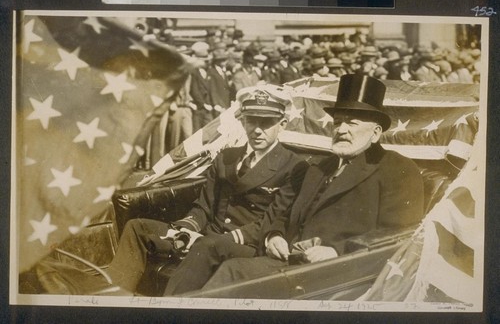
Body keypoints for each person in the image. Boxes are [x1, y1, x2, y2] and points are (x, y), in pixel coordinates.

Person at [200, 74, 425, 291]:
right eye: (337, 123)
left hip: (343, 271)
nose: (341, 130)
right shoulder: (321, 167)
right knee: (227, 266)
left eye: (352, 123)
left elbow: (400, 234)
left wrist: (337, 252)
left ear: (375, 133)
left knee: (233, 274)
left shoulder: (397, 167)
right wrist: (274, 236)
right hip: (292, 261)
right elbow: (287, 215)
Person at [106, 88, 308, 294]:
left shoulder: (293, 166)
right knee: (137, 228)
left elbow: (272, 221)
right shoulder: (227, 157)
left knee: (207, 246)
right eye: (251, 120)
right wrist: (186, 229)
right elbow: (204, 205)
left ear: (282, 124)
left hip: (244, 245)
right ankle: (112, 301)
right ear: (242, 121)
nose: (257, 130)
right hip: (207, 236)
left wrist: (208, 239)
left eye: (266, 123)